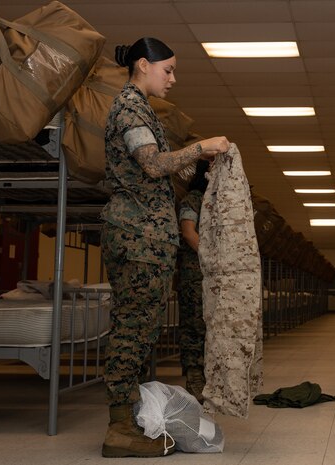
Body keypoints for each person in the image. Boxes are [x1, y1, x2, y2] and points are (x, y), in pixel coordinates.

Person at [100, 37, 229, 458]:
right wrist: (199, 146)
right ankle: (118, 427)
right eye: (167, 70)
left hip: (148, 239)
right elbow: (152, 164)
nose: (172, 78)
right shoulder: (130, 107)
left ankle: (130, 416)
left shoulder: (143, 111)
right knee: (132, 329)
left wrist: (195, 162)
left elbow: (156, 170)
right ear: (143, 65)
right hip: (136, 237)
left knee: (142, 330)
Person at [176, 159, 210, 403]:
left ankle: (205, 375)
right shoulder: (192, 199)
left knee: (206, 325)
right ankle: (194, 377)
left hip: (207, 275)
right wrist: (211, 258)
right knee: (194, 325)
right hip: (193, 273)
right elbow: (189, 233)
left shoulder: (213, 202)